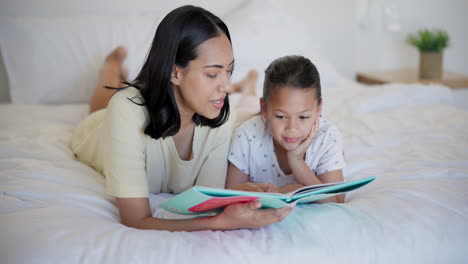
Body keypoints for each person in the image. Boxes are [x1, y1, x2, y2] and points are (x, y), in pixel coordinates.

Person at [71, 5, 292, 231]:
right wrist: (220, 222)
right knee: (103, 103)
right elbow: (135, 220)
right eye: (213, 74)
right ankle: (112, 63)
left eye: (229, 71)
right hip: (97, 131)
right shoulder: (126, 110)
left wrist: (241, 194)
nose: (226, 87)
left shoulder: (222, 115)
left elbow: (206, 198)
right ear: (175, 73)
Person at [226, 55, 346, 203]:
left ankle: (249, 84)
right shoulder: (247, 134)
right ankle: (249, 86)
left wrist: (297, 162)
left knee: (251, 106)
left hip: (264, 116)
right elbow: (229, 196)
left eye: (303, 117)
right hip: (248, 117)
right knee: (245, 107)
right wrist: (282, 192)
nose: (292, 129)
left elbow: (337, 202)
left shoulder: (327, 136)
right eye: (281, 116)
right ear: (264, 108)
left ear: (319, 108)